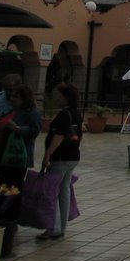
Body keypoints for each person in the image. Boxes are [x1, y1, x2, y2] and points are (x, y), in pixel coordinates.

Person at [38, 82, 82, 240]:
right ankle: (61, 226)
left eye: (59, 95)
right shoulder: (76, 113)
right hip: (73, 156)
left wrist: (48, 154)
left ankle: (54, 228)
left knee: (54, 191)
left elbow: (59, 135)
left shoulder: (64, 114)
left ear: (66, 97)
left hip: (61, 157)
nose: (57, 98)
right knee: (64, 191)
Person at [0, 84, 41, 189]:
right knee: (3, 185)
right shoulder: (12, 111)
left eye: (16, 96)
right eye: (11, 96)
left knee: (15, 186)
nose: (11, 99)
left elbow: (35, 131)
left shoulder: (32, 113)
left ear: (24, 99)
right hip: (3, 155)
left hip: (18, 157)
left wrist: (17, 129)